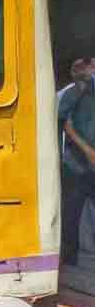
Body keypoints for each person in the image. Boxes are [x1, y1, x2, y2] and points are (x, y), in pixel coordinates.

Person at [61, 65, 95, 265]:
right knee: (73, 207)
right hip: (78, 162)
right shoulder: (74, 92)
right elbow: (64, 122)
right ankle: (70, 254)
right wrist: (86, 150)